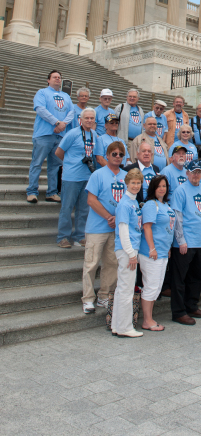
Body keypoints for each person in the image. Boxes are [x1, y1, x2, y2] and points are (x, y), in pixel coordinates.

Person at [82, 140, 125, 314]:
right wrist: (109, 216)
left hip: (116, 229)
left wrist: (119, 219)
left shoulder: (125, 176)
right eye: (114, 154)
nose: (117, 157)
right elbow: (91, 200)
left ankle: (104, 296)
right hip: (97, 227)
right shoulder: (98, 175)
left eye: (120, 154)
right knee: (91, 264)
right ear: (107, 156)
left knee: (111, 264)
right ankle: (87, 299)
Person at [169, 163, 201, 325]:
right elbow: (177, 217)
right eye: (193, 173)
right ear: (187, 173)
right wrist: (181, 240)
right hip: (185, 243)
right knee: (180, 279)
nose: (196, 175)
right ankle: (178, 312)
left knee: (196, 277)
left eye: (199, 172)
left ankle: (191, 305)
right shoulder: (180, 191)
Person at [28, 69, 74, 203]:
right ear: (48, 80)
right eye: (55, 77)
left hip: (60, 136)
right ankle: (32, 191)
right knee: (37, 163)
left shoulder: (66, 96)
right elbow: (40, 109)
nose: (58, 79)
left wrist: (64, 123)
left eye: (59, 77)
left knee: (55, 166)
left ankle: (52, 192)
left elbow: (71, 111)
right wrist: (57, 122)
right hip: (44, 134)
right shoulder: (42, 92)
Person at [55, 108, 97, 248]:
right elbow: (59, 152)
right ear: (81, 119)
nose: (89, 120)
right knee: (67, 208)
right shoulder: (72, 133)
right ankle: (63, 237)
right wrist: (69, 165)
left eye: (92, 118)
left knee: (84, 208)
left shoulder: (94, 135)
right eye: (87, 118)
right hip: (71, 177)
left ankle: (79, 235)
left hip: (87, 177)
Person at [138, 174, 175, 331]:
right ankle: (147, 320)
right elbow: (147, 227)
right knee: (151, 286)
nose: (162, 189)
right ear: (153, 188)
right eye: (159, 186)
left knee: (157, 286)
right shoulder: (151, 205)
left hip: (162, 252)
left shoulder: (166, 205)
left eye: (164, 186)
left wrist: (166, 249)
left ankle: (150, 317)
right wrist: (152, 248)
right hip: (150, 252)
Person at [111, 169, 143, 337]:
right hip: (126, 249)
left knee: (121, 288)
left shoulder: (134, 202)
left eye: (138, 183)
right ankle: (125, 327)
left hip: (130, 248)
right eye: (133, 183)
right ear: (126, 183)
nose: (136, 186)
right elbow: (123, 229)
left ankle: (117, 325)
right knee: (126, 289)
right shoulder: (124, 203)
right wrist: (131, 254)